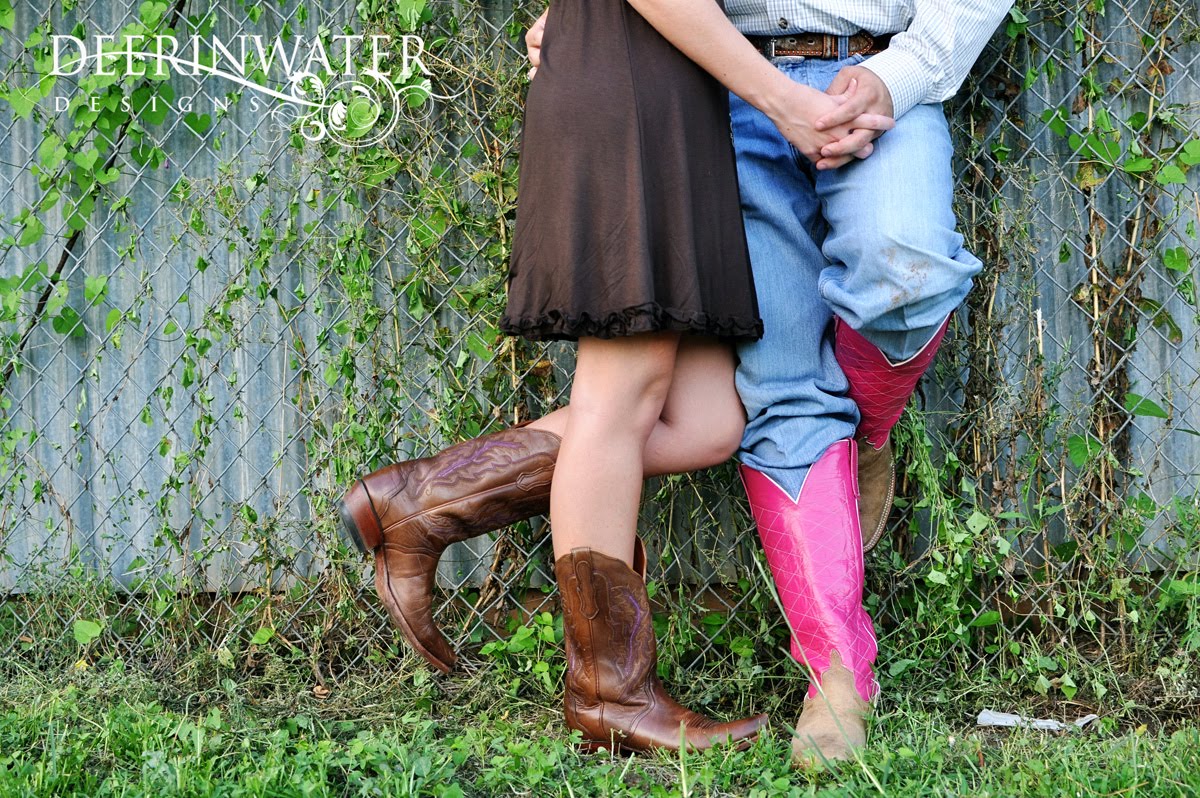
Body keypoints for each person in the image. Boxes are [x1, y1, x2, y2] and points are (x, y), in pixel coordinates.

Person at [337, 0, 894, 754]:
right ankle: (610, 694)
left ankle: (422, 502)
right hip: (634, 94)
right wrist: (781, 97)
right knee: (615, 403)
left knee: (708, 421)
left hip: (677, 97)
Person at [524, 0, 1013, 768]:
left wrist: (899, 76)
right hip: (723, 88)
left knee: (907, 276)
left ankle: (866, 432)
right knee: (781, 388)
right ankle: (837, 673)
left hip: (880, 73)